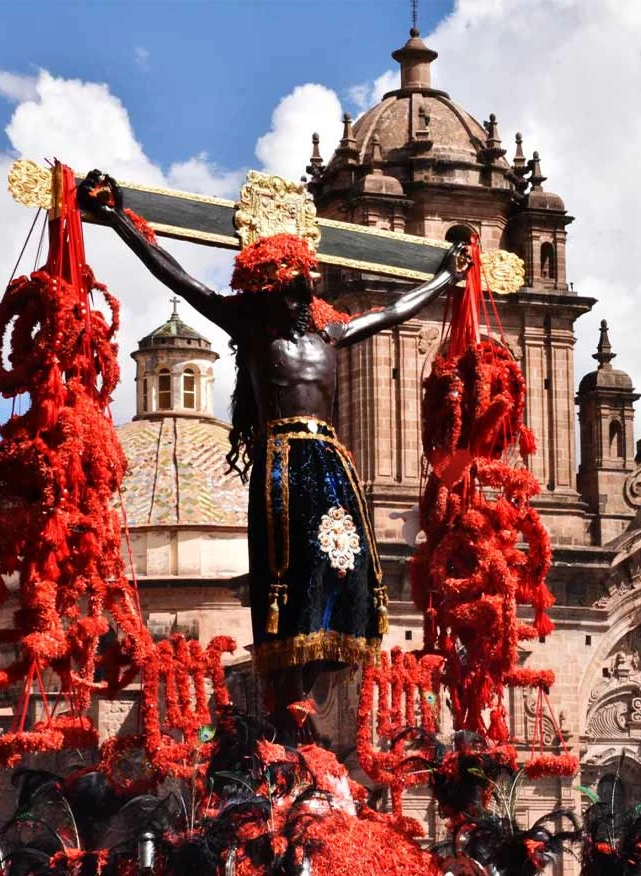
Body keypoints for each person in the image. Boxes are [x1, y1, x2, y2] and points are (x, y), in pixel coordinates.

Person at [77, 171, 463, 736]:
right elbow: (181, 279)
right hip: (282, 462)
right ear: (266, 285)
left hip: (331, 463)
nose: (298, 289)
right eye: (287, 280)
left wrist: (445, 280)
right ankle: (291, 702)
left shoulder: (331, 336)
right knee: (291, 574)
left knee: (343, 570)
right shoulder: (253, 329)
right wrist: (116, 220)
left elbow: (397, 312)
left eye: (303, 281)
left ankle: (320, 680)